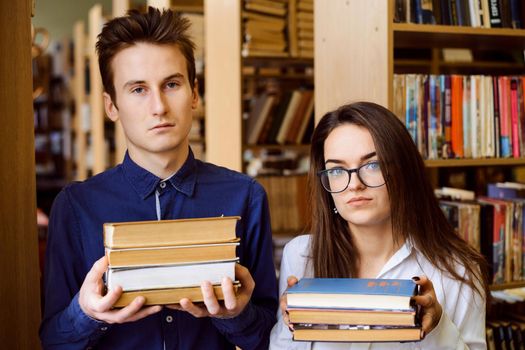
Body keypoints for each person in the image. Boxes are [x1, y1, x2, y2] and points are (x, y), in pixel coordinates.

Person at [39, 7, 278, 349]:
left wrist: (236, 315)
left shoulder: (246, 197)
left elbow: (269, 338)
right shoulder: (76, 207)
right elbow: (52, 340)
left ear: (194, 93)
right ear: (111, 106)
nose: (159, 107)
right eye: (138, 90)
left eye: (171, 84)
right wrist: (86, 313)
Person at [269, 102, 489, 349]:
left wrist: (437, 328)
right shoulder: (300, 257)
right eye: (337, 170)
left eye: (372, 165)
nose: (354, 184)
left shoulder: (456, 271)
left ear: (403, 172)